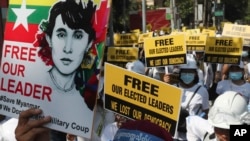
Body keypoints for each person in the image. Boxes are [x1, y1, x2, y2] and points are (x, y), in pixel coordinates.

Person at [32, 0, 99, 140]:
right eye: (61, 34)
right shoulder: (31, 92)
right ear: (49, 39)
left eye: (78, 36)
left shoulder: (85, 105)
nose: (68, 48)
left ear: (89, 44)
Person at [174, 54, 210, 141]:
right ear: (180, 73)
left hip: (193, 136)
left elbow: (206, 112)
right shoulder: (173, 88)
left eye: (190, 72)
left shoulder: (202, 91)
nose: (187, 75)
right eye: (184, 72)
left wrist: (198, 119)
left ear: (195, 73)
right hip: (175, 135)